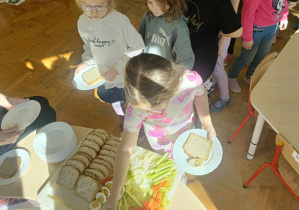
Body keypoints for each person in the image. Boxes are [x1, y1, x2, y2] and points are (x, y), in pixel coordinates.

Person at [103, 53, 216, 210]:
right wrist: (114, 195)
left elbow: (200, 92)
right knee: (168, 165)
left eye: (155, 107)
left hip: (185, 134)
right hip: (159, 143)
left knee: (181, 164)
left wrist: (206, 122)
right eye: (146, 110)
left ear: (170, 89)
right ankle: (176, 176)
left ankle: (180, 176)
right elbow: (125, 149)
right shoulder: (135, 109)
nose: (154, 112)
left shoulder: (189, 81)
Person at [74, 0, 144, 130]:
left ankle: (135, 126)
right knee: (115, 101)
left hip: (124, 77)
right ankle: (124, 122)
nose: (94, 12)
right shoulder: (82, 22)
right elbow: (88, 47)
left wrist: (118, 68)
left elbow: (138, 46)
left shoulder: (120, 21)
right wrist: (86, 62)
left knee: (132, 103)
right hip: (102, 77)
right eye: (87, 7)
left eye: (100, 6)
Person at [227, 0, 289, 93]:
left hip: (272, 26)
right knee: (246, 58)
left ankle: (250, 75)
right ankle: (231, 76)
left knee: (262, 55)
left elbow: (283, 1)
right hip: (256, 29)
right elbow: (247, 13)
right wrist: (247, 37)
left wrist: (284, 16)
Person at [185, 0, 242, 100]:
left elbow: (235, 29)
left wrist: (221, 38)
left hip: (209, 44)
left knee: (210, 74)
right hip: (189, 46)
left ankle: (219, 96)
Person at [139, 0, 194, 70]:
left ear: (171, 2)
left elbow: (186, 59)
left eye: (160, 4)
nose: (153, 8)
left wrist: (177, 76)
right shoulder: (147, 16)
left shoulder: (178, 26)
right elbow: (139, 42)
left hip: (166, 74)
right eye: (150, 2)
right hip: (146, 68)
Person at [209, 0, 242, 112]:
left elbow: (232, 14)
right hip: (209, 30)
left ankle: (225, 98)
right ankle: (212, 84)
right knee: (212, 62)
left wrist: (223, 40)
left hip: (223, 33)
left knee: (218, 66)